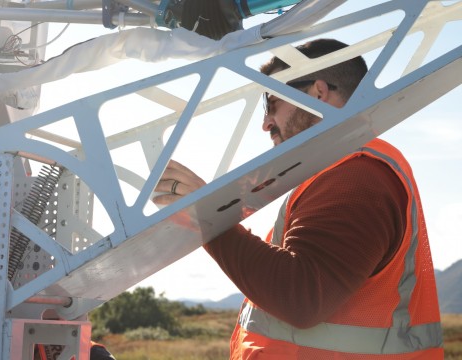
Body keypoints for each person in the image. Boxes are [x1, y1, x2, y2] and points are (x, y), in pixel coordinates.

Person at [153, 38, 443, 359]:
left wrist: (207, 215)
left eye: (273, 101)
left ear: (317, 92)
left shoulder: (357, 176)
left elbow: (303, 299)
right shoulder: (338, 172)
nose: (265, 123)